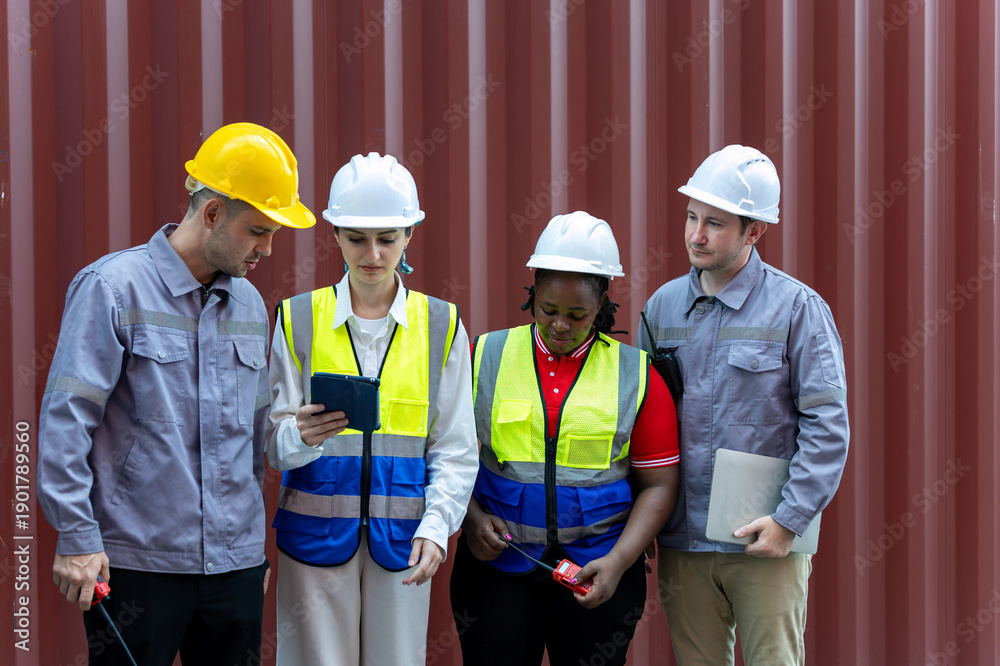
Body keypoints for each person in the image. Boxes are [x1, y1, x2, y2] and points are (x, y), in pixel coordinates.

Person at [37, 122, 316, 665]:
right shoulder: (112, 289)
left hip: (232, 572)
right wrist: (76, 536)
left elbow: (251, 441)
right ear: (212, 213)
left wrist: (248, 557)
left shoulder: (252, 306)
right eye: (258, 230)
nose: (267, 247)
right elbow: (65, 426)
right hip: (136, 567)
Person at [639, 144, 850, 665]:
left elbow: (827, 423)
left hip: (765, 541)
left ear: (754, 231)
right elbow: (640, 422)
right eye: (691, 218)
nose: (695, 235)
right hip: (683, 543)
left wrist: (790, 519)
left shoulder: (798, 308)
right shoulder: (662, 308)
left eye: (715, 223)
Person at [266, 152, 478, 666]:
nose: (373, 254)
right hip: (314, 541)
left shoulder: (442, 326)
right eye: (357, 237)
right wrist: (300, 435)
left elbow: (455, 447)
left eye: (388, 238)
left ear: (409, 235)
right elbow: (271, 446)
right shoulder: (297, 319)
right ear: (334, 233)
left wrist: (436, 526)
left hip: (404, 540)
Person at [451, 211, 680, 666]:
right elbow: (444, 455)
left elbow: (659, 486)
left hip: (600, 569)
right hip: (498, 566)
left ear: (602, 306)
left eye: (577, 315)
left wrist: (618, 563)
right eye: (548, 310)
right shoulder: (483, 356)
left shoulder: (637, 374)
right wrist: (471, 520)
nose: (559, 325)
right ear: (531, 294)